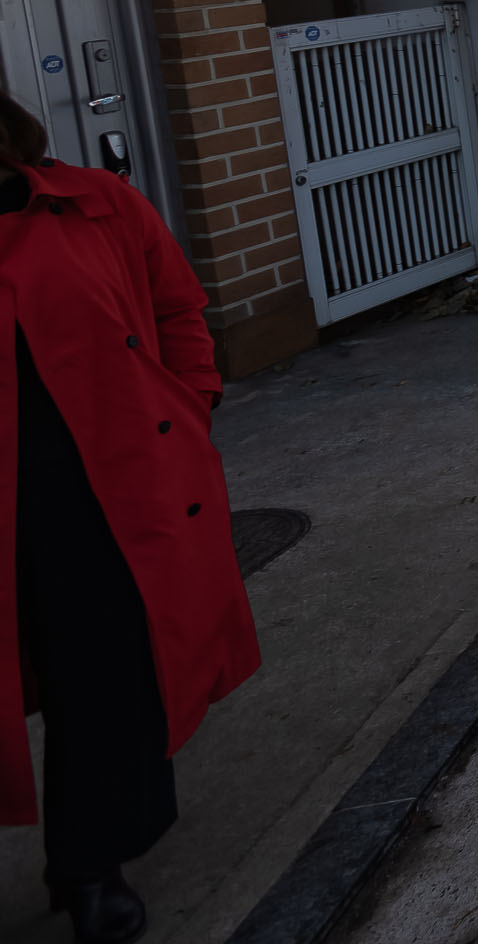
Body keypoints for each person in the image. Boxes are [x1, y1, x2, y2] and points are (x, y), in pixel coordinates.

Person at [0, 96, 259, 944]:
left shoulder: (92, 203)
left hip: (93, 496)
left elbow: (178, 306)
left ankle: (89, 863)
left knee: (104, 679)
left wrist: (190, 403)